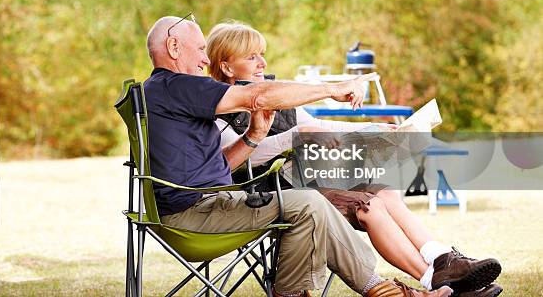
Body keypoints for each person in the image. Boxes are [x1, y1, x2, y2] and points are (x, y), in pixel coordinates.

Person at [144, 15, 455, 297]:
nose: (203, 58)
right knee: (308, 202)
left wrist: (253, 136)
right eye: (199, 49)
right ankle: (383, 292)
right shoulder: (178, 86)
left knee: (315, 201)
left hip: (206, 203)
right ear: (173, 46)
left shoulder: (165, 93)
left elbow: (219, 165)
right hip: (197, 212)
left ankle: (391, 287)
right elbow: (258, 96)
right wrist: (333, 89)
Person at [205, 21, 503, 297]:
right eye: (251, 57)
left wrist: (376, 129)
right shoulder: (218, 111)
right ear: (226, 66)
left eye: (262, 54)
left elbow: (320, 126)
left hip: (305, 181)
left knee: (382, 189)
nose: (263, 63)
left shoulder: (278, 96)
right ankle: (433, 280)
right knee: (368, 206)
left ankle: (441, 258)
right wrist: (296, 136)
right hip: (270, 197)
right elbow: (241, 158)